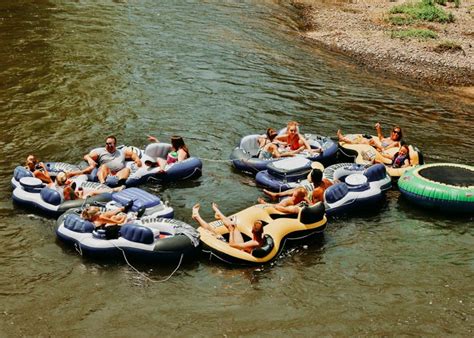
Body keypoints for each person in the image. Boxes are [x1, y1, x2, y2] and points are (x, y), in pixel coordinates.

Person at [192, 203, 264, 253]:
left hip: (236, 251)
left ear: (252, 231)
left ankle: (197, 217)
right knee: (233, 225)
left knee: (215, 233)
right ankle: (217, 212)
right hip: (241, 247)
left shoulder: (253, 243)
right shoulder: (261, 239)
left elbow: (231, 245)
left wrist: (231, 232)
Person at [261, 168, 333, 205]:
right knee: (300, 189)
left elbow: (314, 207)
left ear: (313, 179)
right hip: (318, 196)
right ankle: (276, 195)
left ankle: (270, 205)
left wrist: (304, 198)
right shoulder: (326, 181)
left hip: (313, 202)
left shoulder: (317, 191)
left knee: (295, 197)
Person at [337, 123, 403, 151]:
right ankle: (344, 138)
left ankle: (343, 139)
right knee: (363, 139)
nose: (396, 134)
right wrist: (378, 129)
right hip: (376, 146)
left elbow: (384, 149)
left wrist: (376, 144)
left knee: (364, 141)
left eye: (398, 133)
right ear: (392, 132)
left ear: (399, 135)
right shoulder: (388, 138)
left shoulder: (395, 143)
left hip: (378, 150)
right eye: (395, 131)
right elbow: (381, 138)